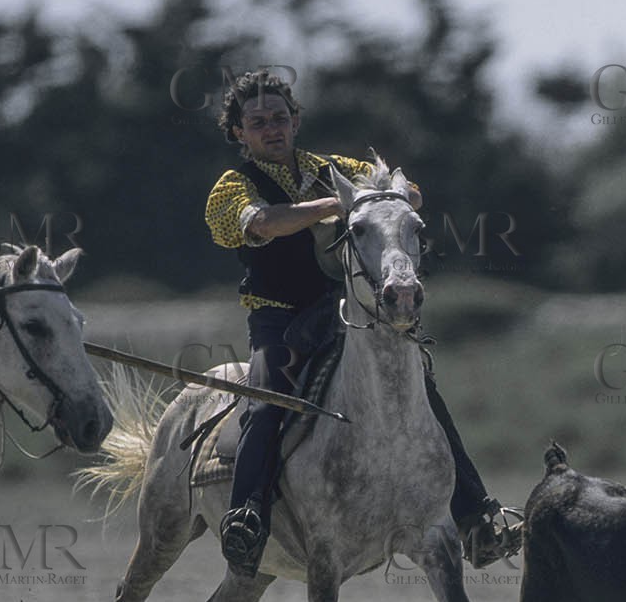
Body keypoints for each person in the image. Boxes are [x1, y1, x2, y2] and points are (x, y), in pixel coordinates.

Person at [204, 69, 519, 575]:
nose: (272, 129)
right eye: (258, 122)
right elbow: (263, 223)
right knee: (265, 403)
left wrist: (374, 200)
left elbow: (411, 196)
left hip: (347, 314)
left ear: (296, 120)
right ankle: (246, 520)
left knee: (423, 391)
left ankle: (478, 520)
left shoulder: (340, 168)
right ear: (239, 132)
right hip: (277, 321)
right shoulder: (231, 187)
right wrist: (339, 204)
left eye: (280, 118)